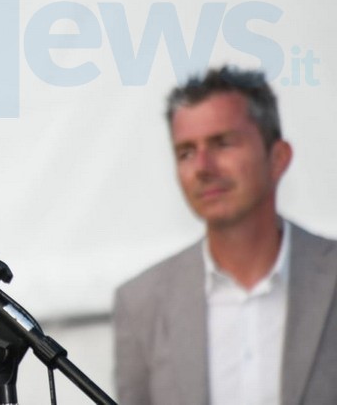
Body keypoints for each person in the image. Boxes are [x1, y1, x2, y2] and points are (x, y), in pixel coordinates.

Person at [112, 66, 337, 405]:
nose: (203, 167)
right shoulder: (141, 303)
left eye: (223, 143)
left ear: (278, 158)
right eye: (186, 152)